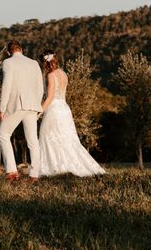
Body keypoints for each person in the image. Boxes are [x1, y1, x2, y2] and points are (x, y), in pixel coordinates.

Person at [38, 49, 105, 177]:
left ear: (45, 62)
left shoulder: (51, 76)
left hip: (54, 110)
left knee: (47, 136)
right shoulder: (64, 74)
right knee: (67, 139)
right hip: (64, 108)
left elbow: (50, 97)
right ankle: (69, 165)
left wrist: (39, 112)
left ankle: (53, 168)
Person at [0, 40, 44, 181]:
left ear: (8, 52)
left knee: (3, 134)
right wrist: (37, 105)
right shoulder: (34, 63)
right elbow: (40, 87)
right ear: (22, 50)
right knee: (32, 140)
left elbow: (6, 86)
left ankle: (12, 171)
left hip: (16, 105)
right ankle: (35, 174)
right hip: (32, 105)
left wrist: (2, 108)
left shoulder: (8, 62)